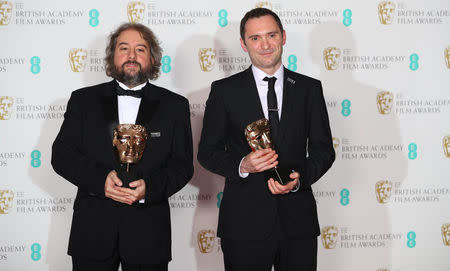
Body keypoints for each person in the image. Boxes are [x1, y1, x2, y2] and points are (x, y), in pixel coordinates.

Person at [198, 8, 335, 271]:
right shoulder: (224, 91)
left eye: (271, 35)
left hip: (298, 222)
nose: (265, 44)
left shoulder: (309, 89)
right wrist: (243, 165)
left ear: (283, 37)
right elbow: (208, 152)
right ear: (243, 43)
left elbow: (323, 151)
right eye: (255, 38)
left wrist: (298, 180)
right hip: (243, 224)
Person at [51, 23, 193, 271]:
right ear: (112, 55)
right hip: (92, 233)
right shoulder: (82, 101)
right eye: (123, 48)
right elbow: (62, 156)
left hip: (149, 234)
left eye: (140, 49)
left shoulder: (175, 106)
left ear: (152, 57)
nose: (131, 56)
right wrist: (99, 181)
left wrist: (149, 189)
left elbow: (182, 166)